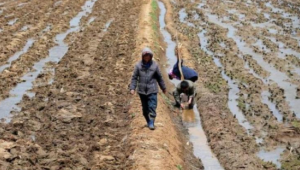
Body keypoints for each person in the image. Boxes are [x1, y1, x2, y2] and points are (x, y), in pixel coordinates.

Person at [130, 47, 166, 130]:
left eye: (148, 56)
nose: (147, 58)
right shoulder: (138, 66)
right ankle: (148, 121)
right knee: (145, 109)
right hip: (142, 91)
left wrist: (163, 87)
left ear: (151, 57)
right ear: (143, 57)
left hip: (152, 89)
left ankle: (151, 122)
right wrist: (132, 88)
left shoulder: (155, 65)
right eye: (145, 56)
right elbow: (134, 77)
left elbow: (159, 78)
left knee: (152, 106)